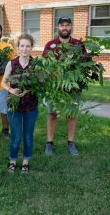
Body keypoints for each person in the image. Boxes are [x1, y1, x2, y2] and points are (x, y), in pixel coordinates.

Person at [42, 16, 85, 156]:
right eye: (62, 25)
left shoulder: (78, 44)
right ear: (58, 28)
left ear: (71, 27)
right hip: (54, 89)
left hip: (72, 88)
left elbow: (84, 65)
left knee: (71, 115)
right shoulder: (50, 45)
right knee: (52, 114)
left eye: (67, 25)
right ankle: (49, 143)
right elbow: (44, 66)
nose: (64, 27)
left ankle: (71, 143)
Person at [1, 34, 39, 172]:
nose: (24, 49)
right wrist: (11, 90)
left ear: (31, 48)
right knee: (16, 137)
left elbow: (39, 84)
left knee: (28, 136)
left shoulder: (35, 64)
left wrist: (29, 88)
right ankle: (12, 160)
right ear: (18, 47)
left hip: (31, 106)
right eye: (22, 46)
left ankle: (25, 161)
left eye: (27, 46)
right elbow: (3, 82)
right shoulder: (12, 64)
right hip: (14, 105)